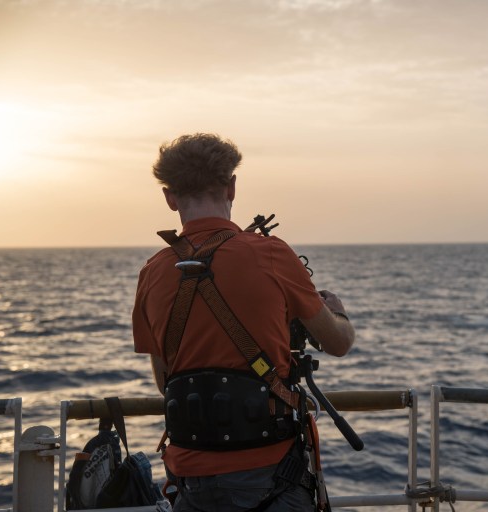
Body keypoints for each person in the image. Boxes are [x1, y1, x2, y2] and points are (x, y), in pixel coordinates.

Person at [132, 133, 355, 511]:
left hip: (190, 479)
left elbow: (164, 381)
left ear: (170, 197)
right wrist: (339, 312)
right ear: (232, 187)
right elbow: (338, 343)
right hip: (270, 475)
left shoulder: (152, 272)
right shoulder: (271, 253)